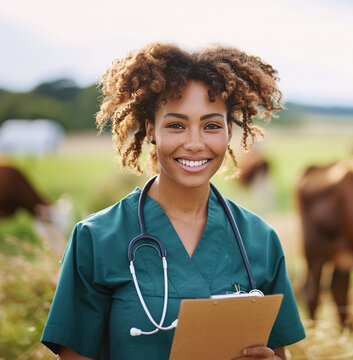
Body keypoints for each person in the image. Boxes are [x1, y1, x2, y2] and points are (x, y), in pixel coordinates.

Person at [41, 43, 305, 359]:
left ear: (228, 131)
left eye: (211, 126)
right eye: (176, 125)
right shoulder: (96, 239)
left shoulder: (260, 240)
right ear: (151, 129)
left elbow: (278, 353)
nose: (195, 143)